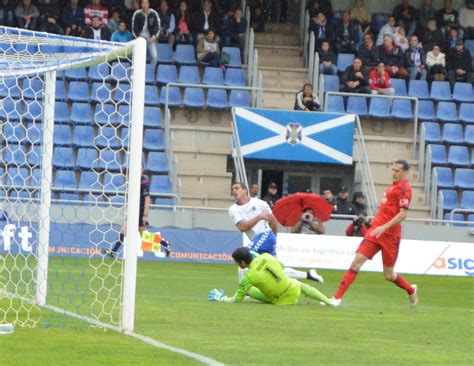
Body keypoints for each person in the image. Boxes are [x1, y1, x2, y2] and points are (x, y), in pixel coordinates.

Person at [330, 160, 418, 308]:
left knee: (389, 275)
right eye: (393, 170)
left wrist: (384, 227)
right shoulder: (392, 187)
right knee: (356, 262)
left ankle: (411, 289)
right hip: (375, 232)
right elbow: (387, 211)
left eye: (397, 171)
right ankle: (336, 298)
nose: (394, 173)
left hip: (390, 236)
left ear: (405, 173)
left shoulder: (404, 188)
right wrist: (374, 224)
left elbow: (403, 214)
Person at [228, 182, 323, 283]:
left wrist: (273, 238)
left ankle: (246, 293)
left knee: (242, 259)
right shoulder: (233, 210)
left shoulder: (260, 203)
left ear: (245, 190)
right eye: (233, 189)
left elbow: (273, 220)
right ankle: (308, 275)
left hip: (266, 235)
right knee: (276, 269)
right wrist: (258, 217)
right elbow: (243, 227)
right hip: (258, 240)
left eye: (236, 188)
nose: (234, 191)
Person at [208, 247, 334, 306]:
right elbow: (282, 267)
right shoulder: (267, 256)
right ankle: (329, 302)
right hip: (293, 289)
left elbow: (236, 301)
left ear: (242, 262)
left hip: (281, 301)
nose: (235, 264)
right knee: (298, 284)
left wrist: (222, 298)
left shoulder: (249, 276)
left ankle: (248, 293)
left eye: (236, 262)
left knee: (249, 290)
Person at [102, 167, 171, 258]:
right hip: (133, 210)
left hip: (140, 211)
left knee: (142, 235)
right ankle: (113, 252)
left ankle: (165, 244)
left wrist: (145, 214)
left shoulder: (144, 181)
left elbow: (147, 198)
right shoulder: (133, 181)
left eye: (140, 168)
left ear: (142, 170)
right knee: (127, 231)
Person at [132, 0, 160, 68]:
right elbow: (134, 28)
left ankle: (151, 70)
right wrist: (139, 38)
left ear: (148, 4)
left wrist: (155, 36)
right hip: (140, 38)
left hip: (150, 38)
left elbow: (158, 26)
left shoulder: (153, 13)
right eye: (143, 3)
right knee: (136, 56)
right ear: (141, 4)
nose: (145, 5)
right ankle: (136, 71)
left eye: (146, 3)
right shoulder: (137, 14)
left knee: (154, 56)